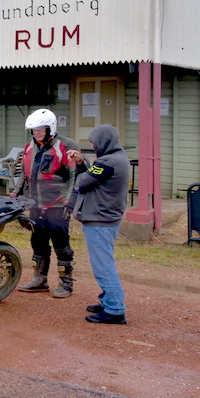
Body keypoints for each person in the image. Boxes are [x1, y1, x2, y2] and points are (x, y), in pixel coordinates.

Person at [68, 124, 131, 324]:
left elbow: (82, 182)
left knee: (103, 267)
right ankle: (108, 301)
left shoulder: (107, 162)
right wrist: (82, 162)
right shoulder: (119, 158)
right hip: (107, 218)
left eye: (95, 143)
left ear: (104, 142)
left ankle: (114, 310)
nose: (94, 146)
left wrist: (80, 166)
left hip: (100, 220)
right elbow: (92, 176)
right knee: (104, 263)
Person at [14, 108, 79, 297]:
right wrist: (16, 193)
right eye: (34, 130)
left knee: (60, 242)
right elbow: (24, 173)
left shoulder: (66, 145)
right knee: (38, 240)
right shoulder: (30, 145)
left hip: (58, 204)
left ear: (50, 127)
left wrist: (69, 200)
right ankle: (40, 279)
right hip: (36, 203)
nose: (37, 133)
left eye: (40, 129)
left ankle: (66, 283)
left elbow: (74, 175)